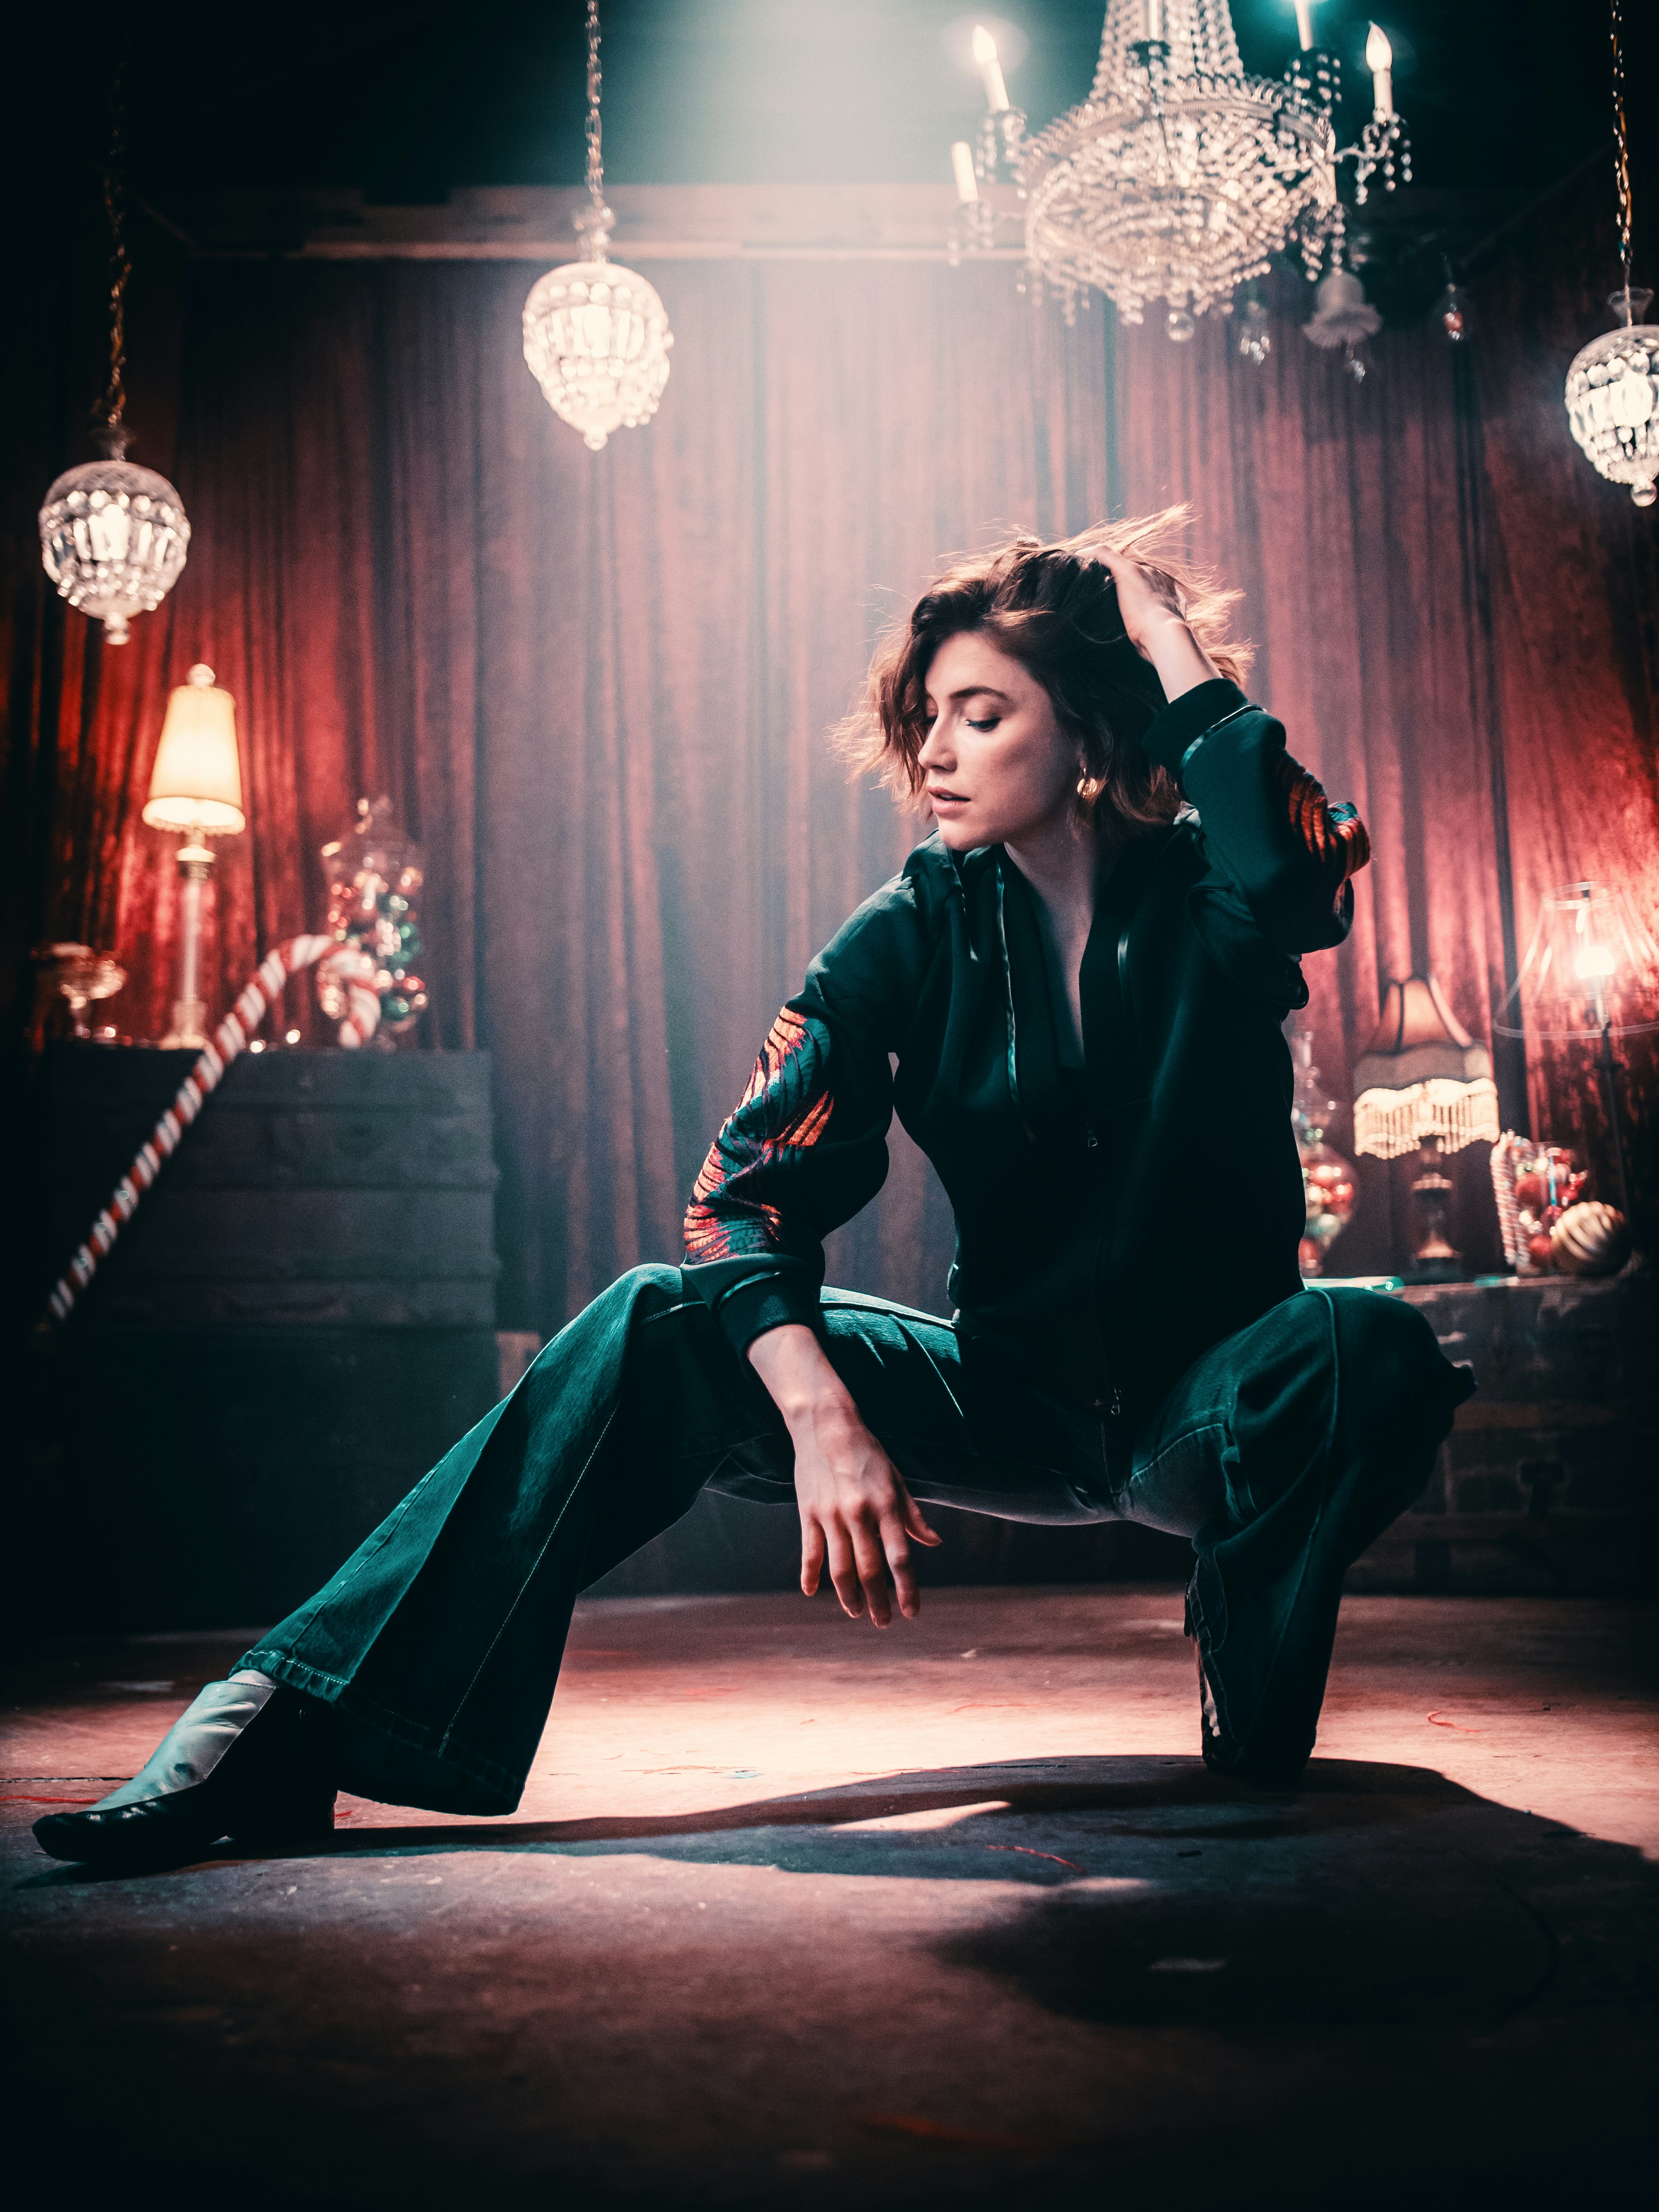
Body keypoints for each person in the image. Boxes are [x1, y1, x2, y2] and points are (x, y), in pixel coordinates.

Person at [35, 512, 1473, 1869]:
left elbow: (1295, 873)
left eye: (984, 715)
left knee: (1371, 1346)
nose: (939, 758)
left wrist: (1168, 640)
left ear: (1087, 728)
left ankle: (1243, 1598)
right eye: (928, 726)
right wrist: (821, 1417)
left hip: (1209, 1405)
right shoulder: (907, 932)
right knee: (660, 1315)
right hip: (1010, 1397)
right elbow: (746, 1197)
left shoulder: (1208, 893)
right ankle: (287, 1725)